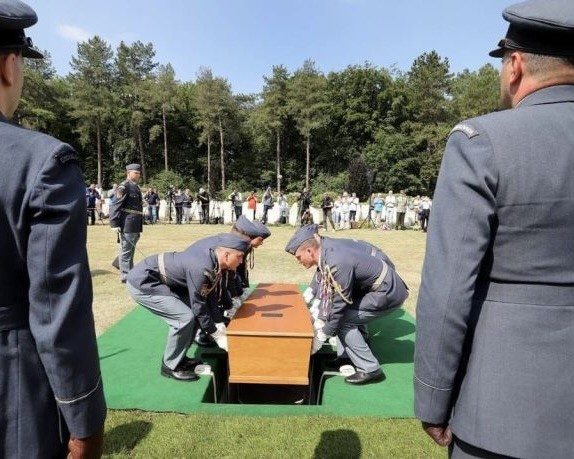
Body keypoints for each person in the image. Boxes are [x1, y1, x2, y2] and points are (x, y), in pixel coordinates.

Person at [414, 1, 574, 457]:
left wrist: (433, 399)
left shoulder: (481, 142)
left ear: (515, 66)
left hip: (506, 415)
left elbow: (448, 291)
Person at [0, 2, 106, 456]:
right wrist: (85, 420)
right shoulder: (42, 162)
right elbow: (57, 310)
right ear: (10, 64)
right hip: (13, 384)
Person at [285, 225, 408, 385]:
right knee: (344, 317)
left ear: (309, 251)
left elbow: (338, 305)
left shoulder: (336, 262)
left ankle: (370, 368)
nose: (298, 261)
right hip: (378, 287)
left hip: (387, 293)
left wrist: (323, 334)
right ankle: (347, 357)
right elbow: (324, 279)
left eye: (298, 257)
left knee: (342, 321)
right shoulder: (326, 253)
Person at [126, 233, 250, 381]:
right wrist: (215, 334)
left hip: (163, 281)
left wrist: (218, 323)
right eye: (240, 256)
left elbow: (208, 295)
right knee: (184, 318)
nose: (242, 261)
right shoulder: (202, 266)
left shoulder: (215, 263)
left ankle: (180, 358)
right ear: (226, 254)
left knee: (195, 317)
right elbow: (199, 305)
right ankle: (170, 366)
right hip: (144, 282)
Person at [110, 163, 144, 283]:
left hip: (135, 222)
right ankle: (126, 276)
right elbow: (115, 205)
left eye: (139, 173)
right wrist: (114, 223)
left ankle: (125, 268)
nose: (138, 175)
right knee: (127, 249)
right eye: (136, 172)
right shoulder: (124, 187)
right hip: (127, 222)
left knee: (131, 248)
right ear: (128, 173)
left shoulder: (136, 186)